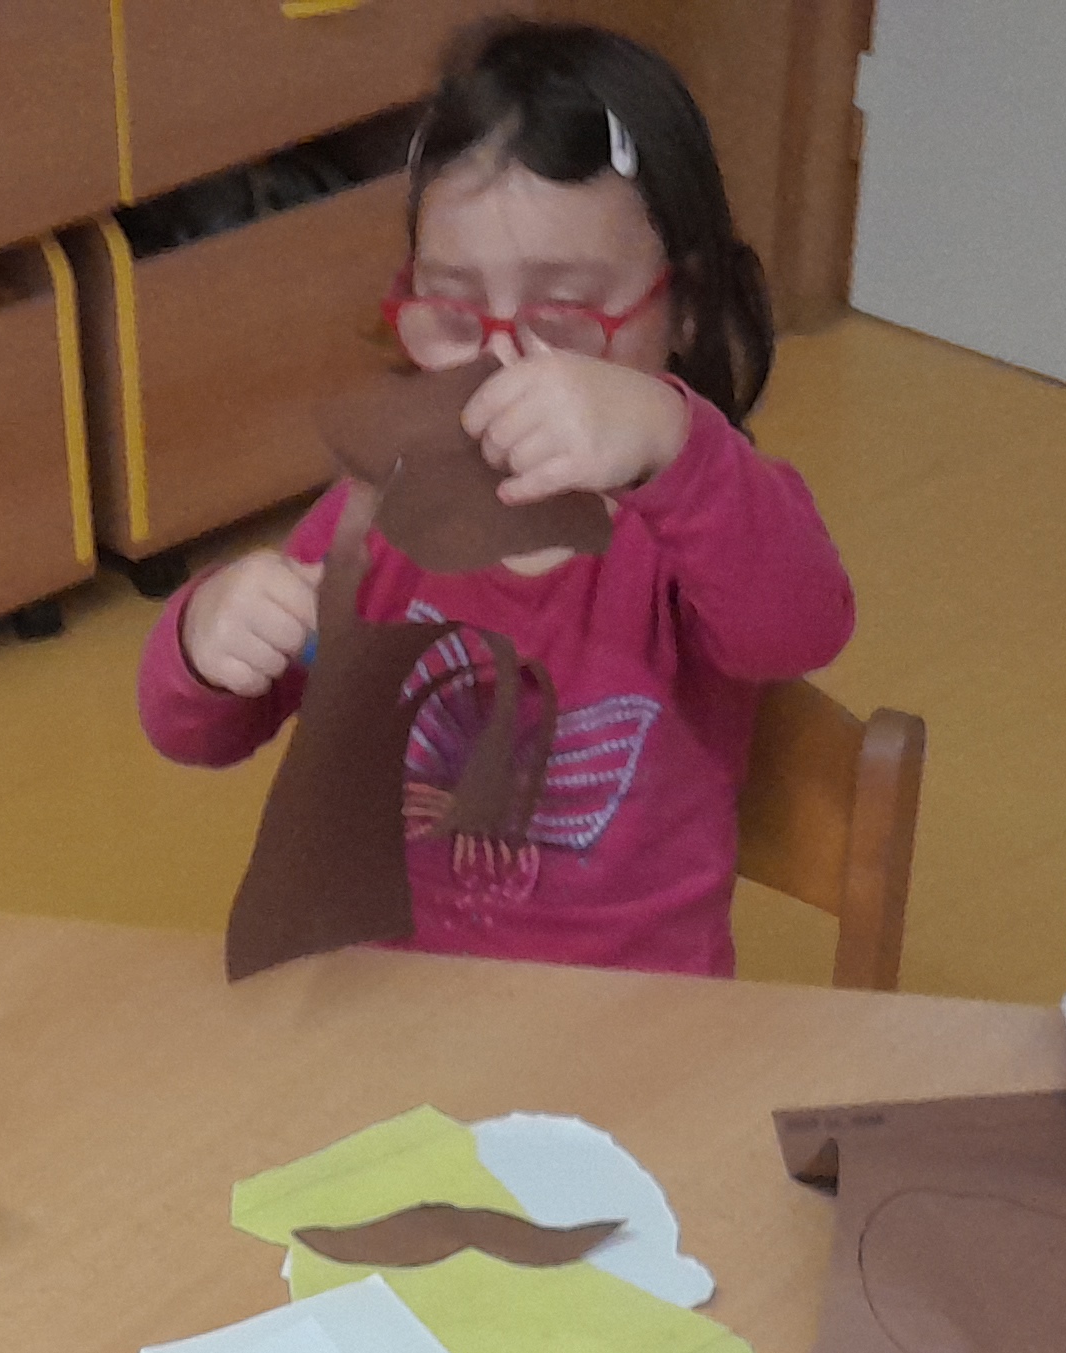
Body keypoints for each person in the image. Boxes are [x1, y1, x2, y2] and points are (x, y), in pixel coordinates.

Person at [136, 14, 853, 980]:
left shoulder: (694, 518)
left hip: (630, 1031)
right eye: (454, 311)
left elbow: (800, 627)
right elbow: (198, 730)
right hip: (400, 1011)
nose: (504, 360)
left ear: (685, 306)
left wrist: (674, 444)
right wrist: (206, 638)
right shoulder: (381, 513)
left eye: (566, 314)